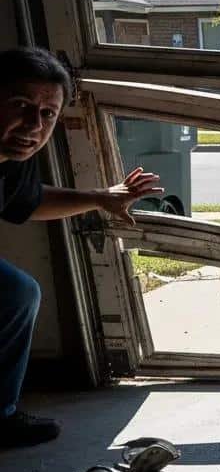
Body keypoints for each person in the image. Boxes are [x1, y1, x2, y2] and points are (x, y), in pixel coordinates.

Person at [0, 46, 162, 447]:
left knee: (17, 293)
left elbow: (28, 200)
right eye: (21, 105)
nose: (33, 125)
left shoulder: (12, 157)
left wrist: (100, 198)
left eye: (47, 114)